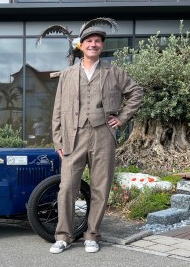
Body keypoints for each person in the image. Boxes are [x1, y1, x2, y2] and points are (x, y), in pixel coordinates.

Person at [50, 25, 143, 254]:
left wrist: (122, 117)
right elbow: (57, 109)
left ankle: (92, 235)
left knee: (100, 187)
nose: (93, 44)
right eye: (89, 41)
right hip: (73, 136)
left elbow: (136, 92)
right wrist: (58, 140)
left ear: (102, 46)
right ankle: (63, 236)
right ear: (81, 45)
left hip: (103, 135)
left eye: (98, 41)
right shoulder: (68, 74)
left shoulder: (114, 72)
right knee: (67, 188)